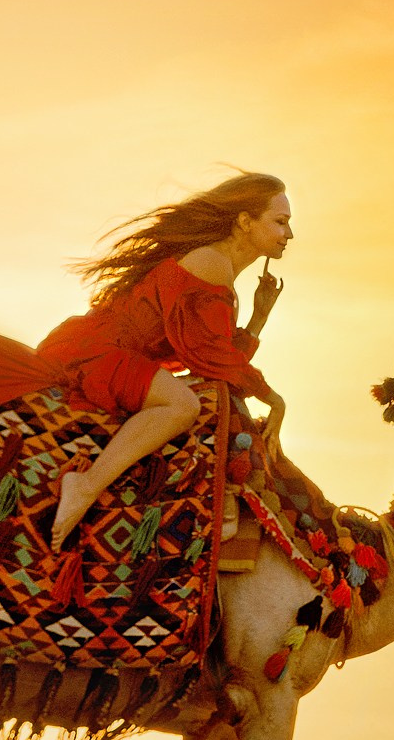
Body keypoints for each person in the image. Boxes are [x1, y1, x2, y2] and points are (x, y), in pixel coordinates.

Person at [38, 172, 291, 548]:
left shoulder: (221, 267)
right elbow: (211, 359)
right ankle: (85, 486)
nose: (289, 235)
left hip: (116, 354)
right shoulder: (210, 262)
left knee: (197, 399)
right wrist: (273, 399)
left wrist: (258, 317)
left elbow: (216, 355)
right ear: (244, 221)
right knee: (182, 404)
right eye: (280, 222)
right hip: (101, 351)